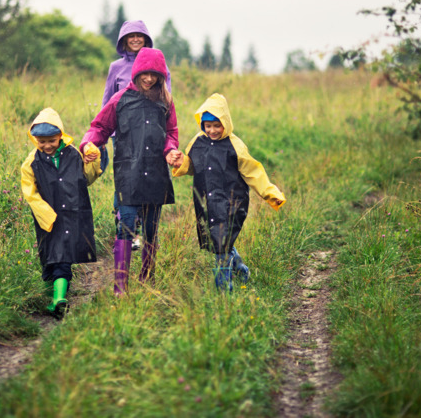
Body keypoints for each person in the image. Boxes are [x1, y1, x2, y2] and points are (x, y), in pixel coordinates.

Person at [81, 47, 181, 295]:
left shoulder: (165, 102)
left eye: (155, 75)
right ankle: (120, 287)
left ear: (161, 76)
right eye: (145, 74)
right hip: (128, 175)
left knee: (150, 229)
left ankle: (147, 278)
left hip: (156, 174)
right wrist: (89, 144)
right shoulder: (120, 100)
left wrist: (170, 150)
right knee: (125, 226)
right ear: (136, 72)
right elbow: (99, 128)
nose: (149, 79)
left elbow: (171, 133)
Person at [171, 93, 286, 291]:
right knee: (216, 240)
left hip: (232, 201)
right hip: (206, 201)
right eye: (208, 126)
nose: (213, 130)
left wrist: (269, 193)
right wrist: (182, 163)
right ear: (202, 125)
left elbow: (253, 171)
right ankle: (239, 266)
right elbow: (193, 166)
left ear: (226, 122)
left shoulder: (235, 145)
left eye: (217, 125)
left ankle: (224, 293)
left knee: (221, 244)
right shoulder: (197, 142)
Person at [21, 108, 102, 317]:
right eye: (42, 141)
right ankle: (53, 296)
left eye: (52, 141)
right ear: (34, 139)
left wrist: (91, 161)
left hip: (73, 212)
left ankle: (59, 299)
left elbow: (86, 179)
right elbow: (29, 192)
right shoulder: (32, 162)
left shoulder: (74, 154)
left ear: (60, 136)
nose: (47, 146)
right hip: (48, 217)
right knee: (50, 255)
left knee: (63, 256)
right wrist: (44, 213)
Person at [100, 20, 172, 252]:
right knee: (126, 181)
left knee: (148, 180)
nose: (135, 40)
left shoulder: (160, 67)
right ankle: (124, 228)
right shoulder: (115, 67)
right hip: (123, 133)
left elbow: (165, 98)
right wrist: (107, 133)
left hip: (149, 134)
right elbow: (108, 100)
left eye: (139, 36)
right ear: (123, 40)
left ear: (146, 39)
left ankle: (140, 231)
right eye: (130, 36)